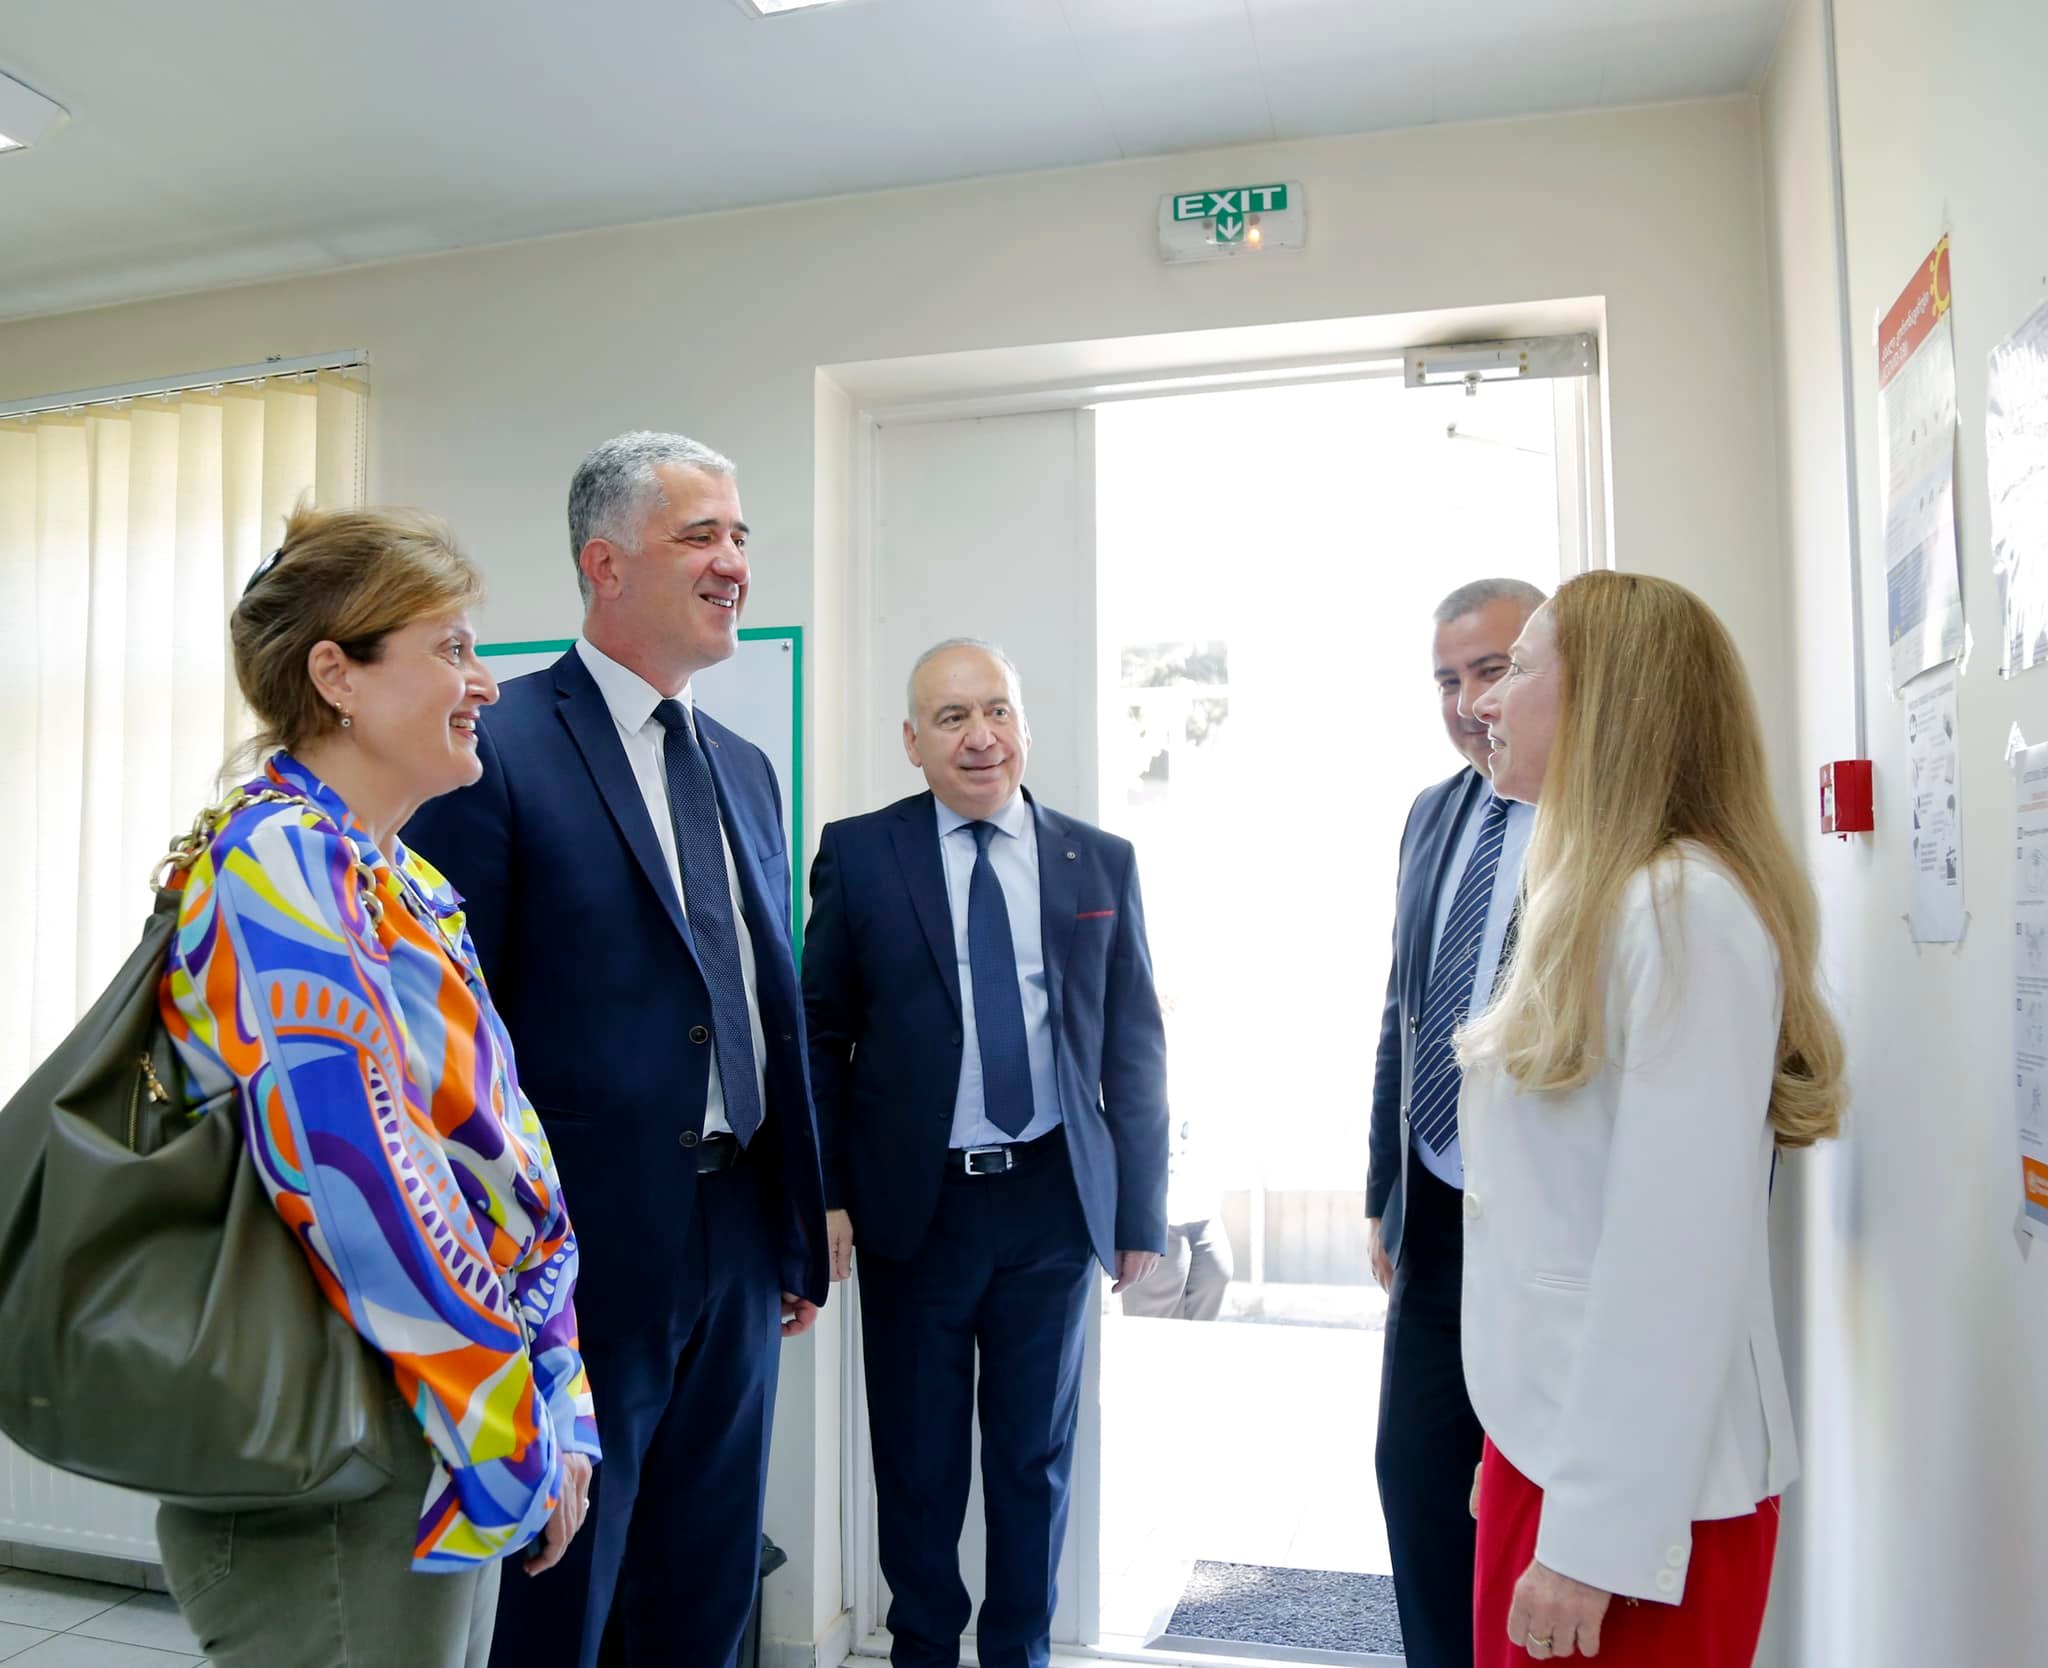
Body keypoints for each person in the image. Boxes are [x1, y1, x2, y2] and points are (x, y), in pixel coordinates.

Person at [403, 432, 829, 1668]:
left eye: (739, 536)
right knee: (565, 1589)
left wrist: (791, 1222)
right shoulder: (496, 747)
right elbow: (454, 1028)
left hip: (738, 1230)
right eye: (701, 535)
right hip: (575, 1247)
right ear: (604, 564)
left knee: (708, 1578)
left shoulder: (742, 768)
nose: (733, 561)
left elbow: (763, 1002)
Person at [154, 506, 599, 1668]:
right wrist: (512, 1430)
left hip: (433, 1423)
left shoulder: (395, 877)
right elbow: (361, 1185)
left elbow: (502, 1160)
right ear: (335, 676)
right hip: (337, 1450)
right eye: (449, 647)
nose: (484, 682)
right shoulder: (276, 863)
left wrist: (556, 1399)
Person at [1459, 571, 1844, 1666]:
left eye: (1514, 669)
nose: (1484, 702)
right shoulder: (1605, 894)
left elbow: (1673, 1261)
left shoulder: (1682, 911)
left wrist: (1590, 1540)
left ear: (1605, 698)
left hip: (1634, 1517)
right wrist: (1515, 1439)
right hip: (1564, 1456)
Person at [803, 638, 1169, 1668]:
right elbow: (818, 1033)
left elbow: (1134, 1044)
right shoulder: (861, 854)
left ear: (1023, 726)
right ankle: (922, 1651)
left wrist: (1138, 1209)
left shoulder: (1096, 860)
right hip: (913, 1210)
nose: (980, 737)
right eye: (952, 717)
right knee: (917, 1464)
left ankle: (1020, 1653)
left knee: (1032, 1460)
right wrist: (825, 1193)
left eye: (996, 710)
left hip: (1051, 1203)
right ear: (912, 741)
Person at [1365, 577, 1545, 1668]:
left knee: (1527, 1505)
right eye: (1446, 679)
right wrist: (1384, 1193)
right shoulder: (1433, 814)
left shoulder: (1600, 820)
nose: (1469, 701)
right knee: (1416, 1481)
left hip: (1543, 1218)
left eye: (1494, 669)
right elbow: (1406, 1008)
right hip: (1435, 1211)